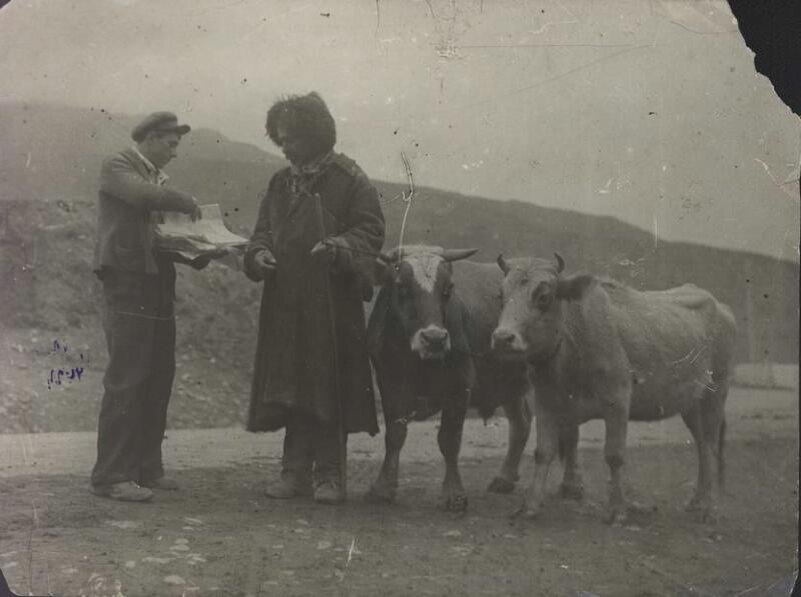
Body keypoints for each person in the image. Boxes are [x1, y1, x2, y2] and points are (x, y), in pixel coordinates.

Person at [244, 92, 385, 504]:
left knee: (329, 387)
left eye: (293, 138)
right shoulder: (279, 182)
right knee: (290, 388)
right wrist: (260, 254)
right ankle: (294, 474)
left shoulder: (350, 178)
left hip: (331, 303)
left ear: (316, 135)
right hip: (286, 303)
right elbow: (261, 233)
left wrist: (341, 247)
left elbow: (371, 232)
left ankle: (329, 476)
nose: (285, 146)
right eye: (280, 139)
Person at [90, 111, 208, 502]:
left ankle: (145, 468)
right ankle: (111, 475)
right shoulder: (119, 166)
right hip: (127, 283)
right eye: (171, 144)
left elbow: (159, 237)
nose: (175, 153)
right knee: (127, 378)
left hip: (157, 285)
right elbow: (144, 197)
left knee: (158, 376)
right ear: (151, 139)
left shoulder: (157, 179)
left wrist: (198, 252)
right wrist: (185, 201)